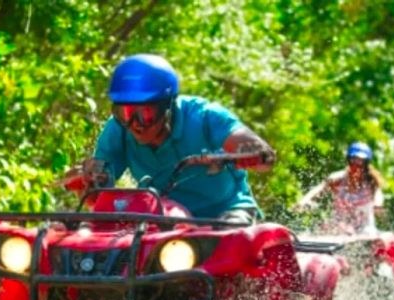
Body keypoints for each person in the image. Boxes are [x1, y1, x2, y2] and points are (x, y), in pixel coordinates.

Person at [69, 53, 276, 223]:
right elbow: (99, 198)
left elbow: (255, 150)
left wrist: (252, 151)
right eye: (125, 113)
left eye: (145, 113)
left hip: (224, 213)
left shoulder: (204, 116)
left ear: (166, 106)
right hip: (161, 218)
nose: (135, 123)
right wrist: (89, 183)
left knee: (230, 237)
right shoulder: (117, 131)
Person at [295, 142, 385, 234]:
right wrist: (304, 201)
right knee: (326, 227)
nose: (356, 166)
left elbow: (378, 196)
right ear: (348, 160)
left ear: (366, 164)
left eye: (361, 162)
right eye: (353, 160)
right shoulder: (337, 179)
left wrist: (378, 205)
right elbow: (319, 189)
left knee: (367, 233)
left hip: (364, 228)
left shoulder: (371, 182)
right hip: (339, 225)